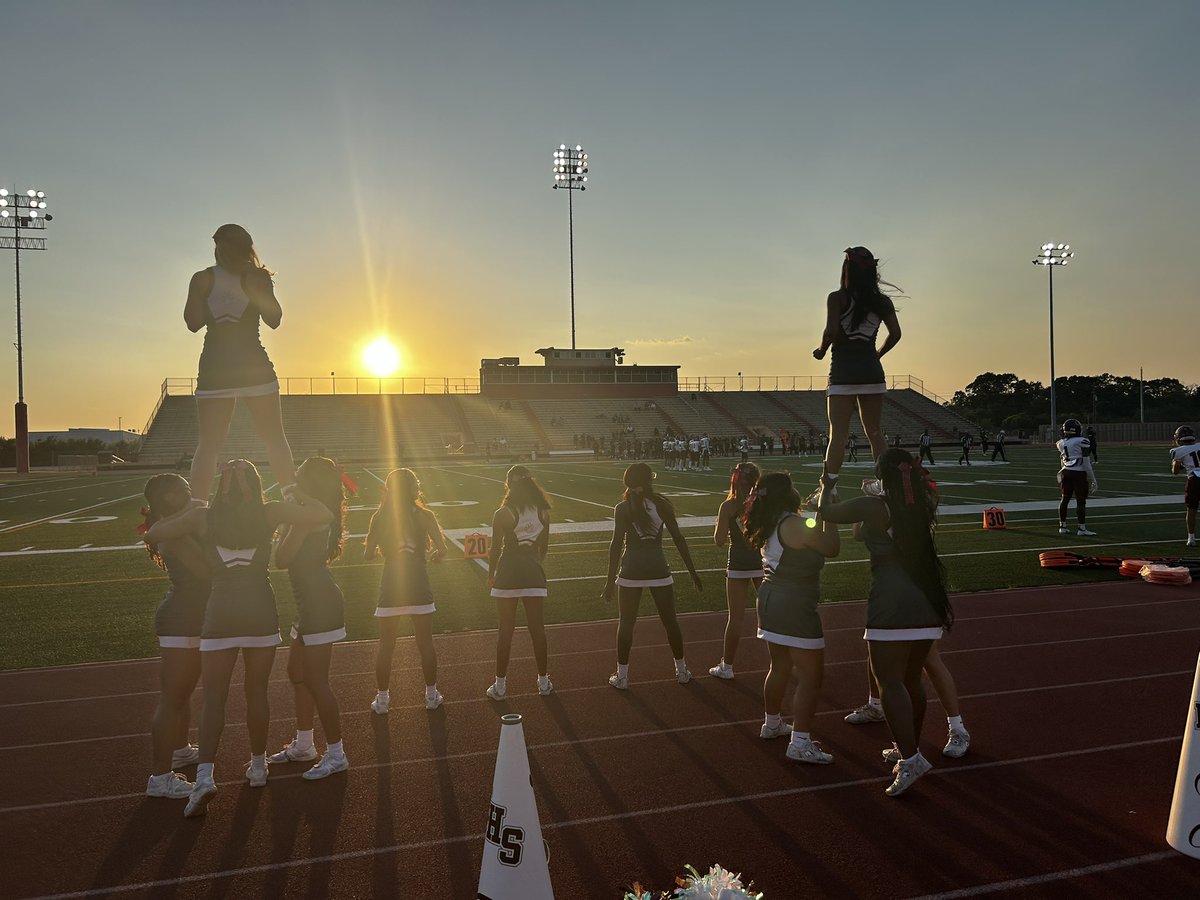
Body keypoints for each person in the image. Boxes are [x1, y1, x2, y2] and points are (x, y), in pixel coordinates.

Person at [144, 459, 333, 817]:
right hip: (260, 611)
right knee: (256, 691)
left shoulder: (203, 518)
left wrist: (175, 521)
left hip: (219, 614)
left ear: (222, 486)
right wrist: (296, 490)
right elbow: (322, 514)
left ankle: (203, 778)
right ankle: (258, 767)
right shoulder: (271, 511)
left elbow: (152, 535)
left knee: (213, 698)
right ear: (255, 483)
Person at [818, 449, 954, 796]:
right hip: (927, 596)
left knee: (889, 682)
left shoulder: (873, 505)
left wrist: (828, 486)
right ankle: (907, 745)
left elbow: (827, 512)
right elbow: (864, 534)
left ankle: (910, 759)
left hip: (892, 601)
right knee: (911, 678)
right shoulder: (922, 502)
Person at [185, 225, 294, 500]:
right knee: (274, 438)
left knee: (209, 445)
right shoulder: (256, 277)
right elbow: (275, 319)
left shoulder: (202, 279)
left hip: (215, 367)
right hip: (253, 366)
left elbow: (193, 323)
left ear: (218, 247)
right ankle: (292, 498)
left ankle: (197, 507)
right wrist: (256, 288)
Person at [744, 472, 840, 763]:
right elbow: (832, 547)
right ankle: (800, 743)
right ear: (787, 494)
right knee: (811, 676)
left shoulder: (771, 520)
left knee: (780, 665)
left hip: (770, 598)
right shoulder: (794, 524)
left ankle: (772, 723)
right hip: (794, 602)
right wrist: (829, 511)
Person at [268, 457, 353, 780]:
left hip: (320, 604)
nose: (294, 477)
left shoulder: (310, 516)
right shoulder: (310, 507)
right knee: (296, 672)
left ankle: (336, 753)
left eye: (300, 474)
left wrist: (293, 521)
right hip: (309, 603)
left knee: (317, 681)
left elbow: (282, 559)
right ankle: (305, 744)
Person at [811, 247, 902, 503]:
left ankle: (828, 489)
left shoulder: (837, 298)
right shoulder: (882, 301)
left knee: (837, 433)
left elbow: (830, 331)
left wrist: (820, 350)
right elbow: (895, 333)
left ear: (846, 269)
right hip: (872, 370)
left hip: (842, 371)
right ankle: (887, 484)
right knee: (875, 432)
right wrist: (878, 355)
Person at [139, 473, 210, 800]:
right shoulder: (175, 533)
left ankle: (180, 750)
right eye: (182, 489)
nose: (189, 492)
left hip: (191, 617)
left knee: (183, 693)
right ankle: (160, 777)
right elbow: (206, 572)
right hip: (182, 618)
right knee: (172, 697)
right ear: (167, 498)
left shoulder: (178, 524)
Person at [603, 462, 703, 688]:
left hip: (631, 570)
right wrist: (692, 572)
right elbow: (679, 539)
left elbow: (616, 545)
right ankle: (681, 671)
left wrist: (609, 580)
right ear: (648, 481)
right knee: (670, 622)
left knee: (626, 623)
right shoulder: (663, 504)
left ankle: (622, 677)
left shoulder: (622, 508)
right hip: (659, 568)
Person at [365, 468, 448, 713]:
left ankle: (382, 700)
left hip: (391, 585)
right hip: (418, 583)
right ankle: (431, 696)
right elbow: (442, 550)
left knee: (386, 646)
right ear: (412, 487)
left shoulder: (380, 516)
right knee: (425, 644)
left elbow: (368, 555)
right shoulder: (425, 515)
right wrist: (434, 555)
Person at [486, 465, 553, 700]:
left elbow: (495, 549)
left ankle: (500, 686)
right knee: (538, 629)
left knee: (506, 630)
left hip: (509, 573)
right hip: (533, 571)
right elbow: (543, 547)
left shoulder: (503, 513)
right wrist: (533, 563)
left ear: (509, 485)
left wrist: (491, 573)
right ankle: (543, 683)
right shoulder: (544, 511)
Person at [843, 644, 970, 760]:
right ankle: (876, 706)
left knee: (928, 658)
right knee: (877, 651)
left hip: (918, 619)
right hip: (886, 619)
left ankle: (958, 729)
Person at [710, 462, 764, 680]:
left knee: (736, 618)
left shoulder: (728, 506)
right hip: (762, 562)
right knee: (771, 615)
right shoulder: (764, 503)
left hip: (738, 564)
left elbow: (719, 541)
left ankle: (728, 667)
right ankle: (784, 662)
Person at [1056, 419, 1097, 536]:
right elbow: (1086, 462)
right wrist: (1093, 479)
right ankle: (1082, 529)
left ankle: (1062, 526)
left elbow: (1062, 461)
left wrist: (1063, 472)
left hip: (1065, 472)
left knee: (1065, 499)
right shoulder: (1082, 441)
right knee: (1081, 501)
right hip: (1078, 473)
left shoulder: (1060, 442)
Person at [1169, 425, 1200, 547]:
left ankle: (1191, 538)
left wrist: (1178, 463)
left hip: (1194, 480)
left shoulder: (1177, 451)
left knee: (1192, 509)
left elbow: (1175, 471)